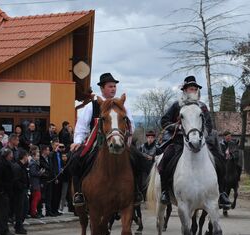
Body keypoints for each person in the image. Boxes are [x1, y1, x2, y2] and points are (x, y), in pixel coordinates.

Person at [70, 72, 143, 207]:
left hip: (119, 141)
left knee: (139, 159)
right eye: (110, 86)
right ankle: (79, 193)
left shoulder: (122, 105)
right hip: (96, 144)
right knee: (76, 160)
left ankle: (137, 191)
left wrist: (124, 135)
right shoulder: (91, 106)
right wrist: (78, 141)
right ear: (102, 89)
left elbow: (131, 125)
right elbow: (81, 127)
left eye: (114, 86)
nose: (113, 89)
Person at [157, 75, 231, 208]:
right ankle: (165, 192)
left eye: (195, 88)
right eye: (190, 88)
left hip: (201, 142)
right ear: (185, 91)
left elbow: (208, 124)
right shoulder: (176, 105)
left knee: (220, 160)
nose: (193, 91)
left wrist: (202, 135)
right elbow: (164, 121)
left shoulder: (202, 107)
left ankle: (222, 193)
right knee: (165, 160)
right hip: (180, 141)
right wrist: (177, 126)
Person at [0, 149, 15, 235]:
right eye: (11, 155)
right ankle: (4, 230)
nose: (12, 156)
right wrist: (1, 189)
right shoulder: (0, 163)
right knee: (3, 211)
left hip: (3, 190)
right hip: (1, 191)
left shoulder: (3, 162)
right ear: (7, 155)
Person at [12, 149, 29, 234]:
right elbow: (16, 180)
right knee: (20, 209)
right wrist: (22, 187)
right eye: (27, 156)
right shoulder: (18, 167)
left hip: (23, 190)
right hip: (19, 192)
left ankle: (19, 225)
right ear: (24, 157)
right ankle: (18, 226)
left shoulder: (22, 166)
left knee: (24, 208)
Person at [29, 149, 44, 218]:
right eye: (37, 156)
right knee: (36, 198)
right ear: (33, 156)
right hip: (34, 183)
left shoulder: (35, 163)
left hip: (36, 183)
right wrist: (40, 173)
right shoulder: (33, 164)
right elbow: (33, 173)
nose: (38, 157)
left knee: (37, 197)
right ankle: (33, 212)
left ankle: (34, 211)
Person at [50, 139, 64, 215]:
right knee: (54, 194)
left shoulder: (59, 153)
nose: (57, 147)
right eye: (56, 145)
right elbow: (52, 167)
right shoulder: (52, 154)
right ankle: (53, 210)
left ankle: (56, 209)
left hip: (60, 175)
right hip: (55, 176)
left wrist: (62, 168)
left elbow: (60, 163)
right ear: (52, 146)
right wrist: (55, 177)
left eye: (58, 145)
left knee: (59, 194)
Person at [39, 145, 53, 216]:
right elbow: (44, 168)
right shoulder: (40, 159)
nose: (49, 151)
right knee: (42, 196)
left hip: (49, 179)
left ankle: (48, 211)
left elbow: (50, 167)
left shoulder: (49, 158)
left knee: (49, 196)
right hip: (43, 180)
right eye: (47, 150)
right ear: (44, 151)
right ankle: (40, 211)